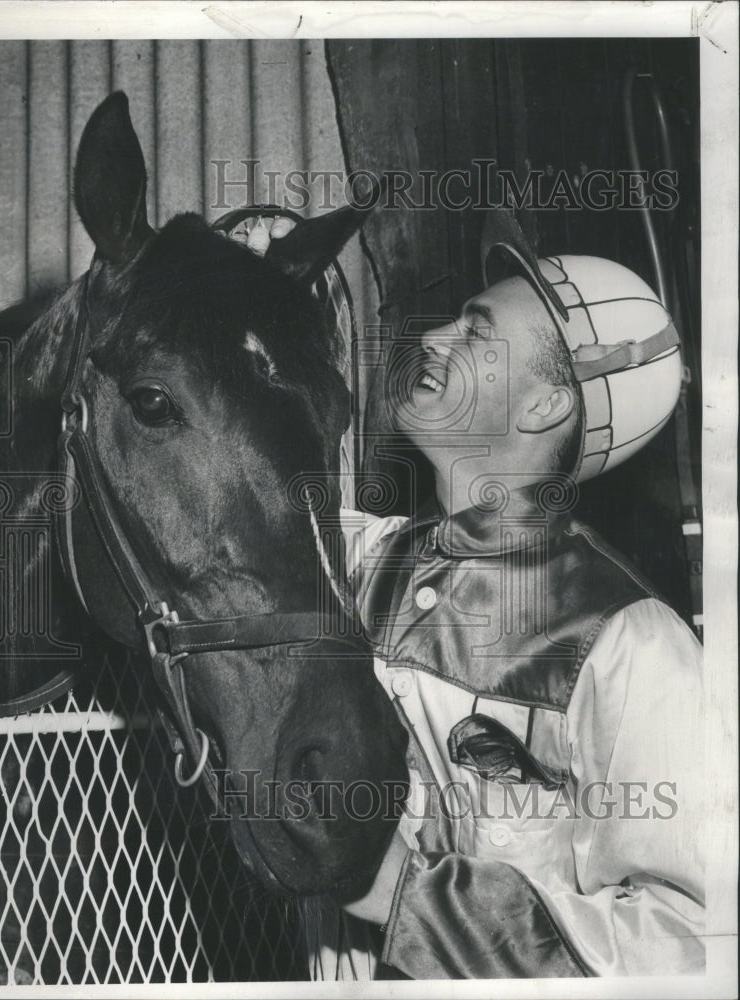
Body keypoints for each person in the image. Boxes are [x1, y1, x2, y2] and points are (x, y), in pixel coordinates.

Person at [238, 210, 705, 979]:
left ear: (544, 406)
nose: (432, 339)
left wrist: (405, 898)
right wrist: (243, 305)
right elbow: (237, 503)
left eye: (478, 332)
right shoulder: (356, 563)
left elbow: (692, 947)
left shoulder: (628, 643)